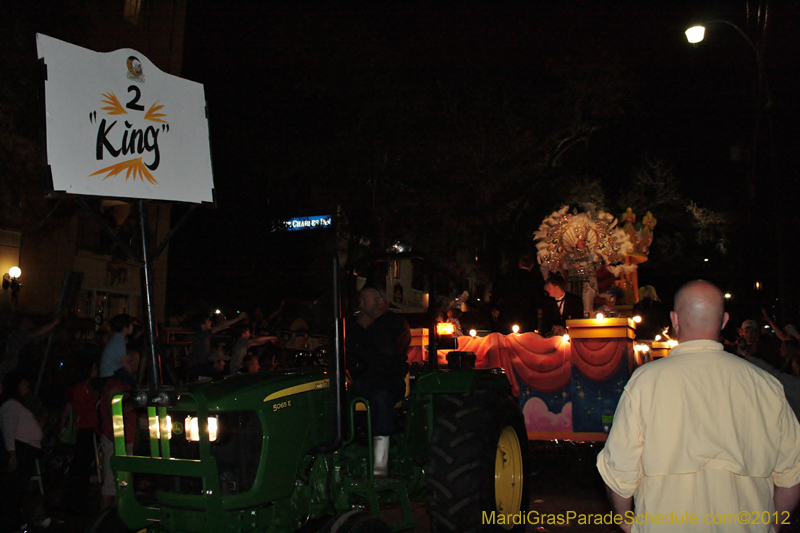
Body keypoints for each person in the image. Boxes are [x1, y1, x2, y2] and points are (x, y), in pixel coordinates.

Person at [597, 280, 800, 533]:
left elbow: (619, 469)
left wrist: (627, 523)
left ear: (674, 319)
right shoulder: (765, 385)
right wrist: (770, 524)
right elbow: (793, 474)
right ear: (724, 320)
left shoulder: (645, 382)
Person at [346, 284, 410, 476]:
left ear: (380, 301)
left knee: (380, 396)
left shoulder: (395, 323)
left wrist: (368, 328)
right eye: (360, 300)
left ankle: (380, 463)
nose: (361, 303)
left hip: (387, 379)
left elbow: (389, 351)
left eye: (366, 299)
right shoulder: (354, 324)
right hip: (358, 379)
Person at [0, 372, 45, 533]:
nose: (27, 387)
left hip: (26, 449)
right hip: (20, 450)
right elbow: (8, 431)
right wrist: (12, 454)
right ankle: (9, 524)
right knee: (13, 490)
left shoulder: (19, 404)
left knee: (18, 489)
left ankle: (14, 521)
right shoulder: (11, 405)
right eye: (23, 384)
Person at [99, 349, 139, 510]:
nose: (136, 367)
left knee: (123, 482)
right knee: (111, 482)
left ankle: (117, 518)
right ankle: (102, 521)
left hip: (126, 438)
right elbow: (112, 411)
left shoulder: (128, 383)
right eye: (134, 363)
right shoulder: (116, 384)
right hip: (115, 438)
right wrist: (134, 404)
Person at [490, 253, 541, 334]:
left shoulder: (507, 277)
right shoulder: (536, 280)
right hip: (528, 318)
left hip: (508, 315)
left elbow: (498, 294)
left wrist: (496, 308)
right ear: (532, 265)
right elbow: (539, 299)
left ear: (519, 264)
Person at [190, 312, 248, 379]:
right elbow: (218, 327)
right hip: (199, 367)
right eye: (208, 321)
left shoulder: (203, 336)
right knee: (220, 378)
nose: (211, 322)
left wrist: (218, 348)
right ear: (202, 325)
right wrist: (237, 319)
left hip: (202, 365)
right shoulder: (202, 334)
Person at [99, 313, 136, 378]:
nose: (133, 326)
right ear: (125, 327)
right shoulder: (119, 341)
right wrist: (132, 373)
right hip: (110, 373)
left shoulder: (118, 338)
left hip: (110, 371)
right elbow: (123, 362)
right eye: (131, 324)